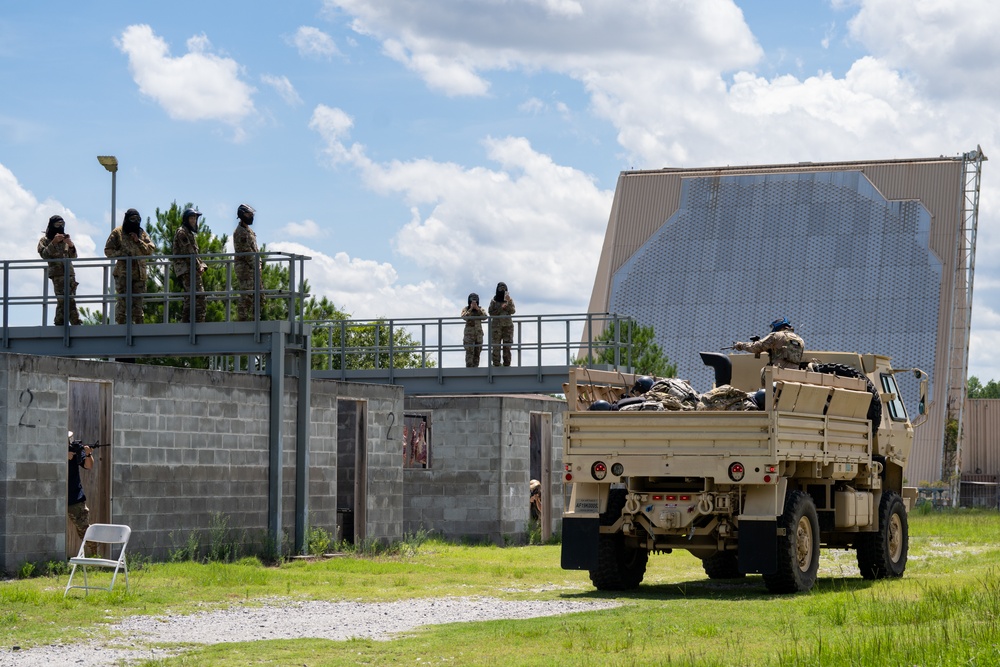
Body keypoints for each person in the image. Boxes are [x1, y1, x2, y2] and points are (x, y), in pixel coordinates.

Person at [104, 208, 155, 324]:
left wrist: (138, 241)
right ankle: (121, 328)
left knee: (138, 305)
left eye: (138, 219)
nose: (135, 221)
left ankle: (138, 329)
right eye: (132, 219)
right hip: (123, 274)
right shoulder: (118, 232)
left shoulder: (141, 233)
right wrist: (122, 254)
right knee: (122, 302)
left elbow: (150, 249)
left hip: (139, 275)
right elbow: (108, 251)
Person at [37, 215, 82, 326]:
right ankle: (76, 322)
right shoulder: (45, 240)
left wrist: (71, 245)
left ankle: (59, 322)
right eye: (57, 224)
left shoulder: (64, 240)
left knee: (69, 298)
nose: (60, 227)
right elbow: (44, 255)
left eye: (62, 224)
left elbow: (74, 257)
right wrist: (54, 242)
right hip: (57, 275)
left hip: (70, 273)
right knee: (64, 299)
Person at [733, 317, 805, 378]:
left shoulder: (776, 335)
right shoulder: (800, 340)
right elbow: (783, 352)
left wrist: (740, 345)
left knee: (764, 371)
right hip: (795, 375)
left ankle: (766, 392)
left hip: (779, 373)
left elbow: (756, 347)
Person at [172, 208, 208, 323]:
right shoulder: (182, 232)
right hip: (187, 270)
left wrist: (201, 264)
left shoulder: (189, 233)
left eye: (195, 218)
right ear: (186, 219)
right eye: (191, 218)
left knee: (190, 298)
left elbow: (195, 254)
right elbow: (188, 252)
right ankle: (198, 323)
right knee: (199, 296)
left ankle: (187, 323)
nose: (194, 221)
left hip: (191, 268)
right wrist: (199, 266)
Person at [233, 203, 264, 321]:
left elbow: (255, 250)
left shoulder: (249, 231)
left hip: (254, 268)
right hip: (245, 269)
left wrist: (259, 264)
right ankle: (243, 321)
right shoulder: (240, 232)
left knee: (259, 296)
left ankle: (255, 320)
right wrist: (257, 265)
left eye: (252, 214)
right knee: (247, 296)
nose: (251, 216)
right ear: (242, 215)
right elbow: (246, 252)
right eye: (248, 214)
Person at [67, 431, 93, 545]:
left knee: (84, 529)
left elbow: (88, 466)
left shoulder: (75, 449)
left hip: (74, 496)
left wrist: (88, 454)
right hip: (56, 495)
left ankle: (94, 555)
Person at [488, 281, 515, 366]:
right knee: (496, 346)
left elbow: (513, 311)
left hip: (508, 326)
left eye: (504, 289)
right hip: (496, 327)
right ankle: (496, 364)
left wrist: (508, 302)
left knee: (507, 346)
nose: (502, 291)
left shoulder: (509, 300)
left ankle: (507, 364)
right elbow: (491, 312)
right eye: (501, 289)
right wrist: (500, 308)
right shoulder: (494, 301)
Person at [461, 293, 486, 367]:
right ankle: (469, 370)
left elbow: (485, 317)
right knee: (469, 352)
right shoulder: (466, 309)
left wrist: (477, 309)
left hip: (478, 335)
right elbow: (464, 317)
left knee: (477, 353)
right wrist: (471, 309)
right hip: (469, 336)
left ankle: (476, 370)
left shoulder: (480, 309)